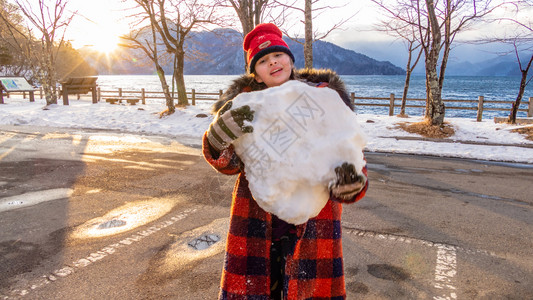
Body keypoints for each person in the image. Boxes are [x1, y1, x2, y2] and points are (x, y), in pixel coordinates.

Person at [203, 23, 369, 300]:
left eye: (278, 56)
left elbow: (347, 148)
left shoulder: (321, 99)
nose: (273, 63)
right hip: (256, 220)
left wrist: (351, 183)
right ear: (255, 74)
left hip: (314, 222)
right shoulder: (245, 106)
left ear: (291, 59)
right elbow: (231, 165)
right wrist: (216, 138)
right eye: (263, 61)